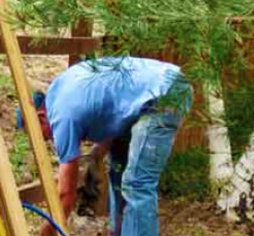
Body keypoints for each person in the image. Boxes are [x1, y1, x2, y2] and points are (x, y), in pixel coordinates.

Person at [35, 56, 192, 236]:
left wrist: (48, 230)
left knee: (136, 183)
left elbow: (66, 193)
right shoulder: (59, 91)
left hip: (163, 94)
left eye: (37, 132)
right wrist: (96, 155)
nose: (44, 139)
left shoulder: (61, 117)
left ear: (40, 116)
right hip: (145, 95)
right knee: (117, 169)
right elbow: (112, 106)